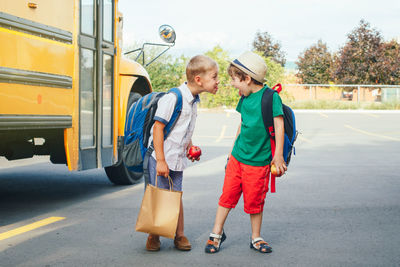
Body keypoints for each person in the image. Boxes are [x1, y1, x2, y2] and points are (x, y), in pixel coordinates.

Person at [205, 51, 287, 254]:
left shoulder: (270, 98)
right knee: (227, 196)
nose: (233, 84)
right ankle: (216, 233)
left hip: (259, 163)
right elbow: (242, 125)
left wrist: (278, 155)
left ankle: (256, 237)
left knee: (255, 201)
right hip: (237, 158)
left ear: (247, 78)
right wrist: (232, 152)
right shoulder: (244, 97)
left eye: (234, 79)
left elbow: (279, 124)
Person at [146, 55, 219, 251]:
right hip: (161, 158)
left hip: (176, 159)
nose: (217, 81)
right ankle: (153, 235)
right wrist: (161, 160)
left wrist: (189, 146)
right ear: (198, 79)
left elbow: (182, 128)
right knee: (160, 196)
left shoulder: (193, 101)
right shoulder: (174, 98)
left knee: (176, 195)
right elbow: (158, 128)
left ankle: (179, 235)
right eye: (214, 77)